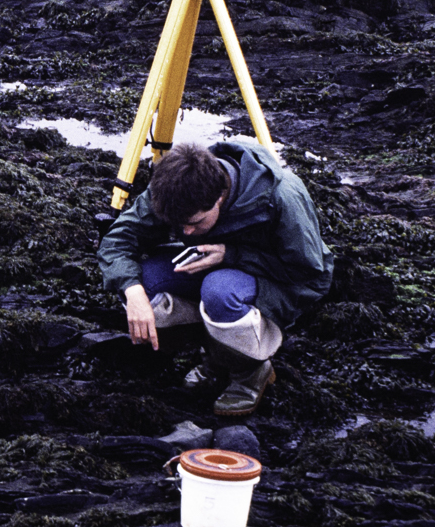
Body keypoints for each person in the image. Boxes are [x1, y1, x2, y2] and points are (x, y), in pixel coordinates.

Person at [97, 139, 333, 417]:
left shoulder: (281, 196)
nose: (187, 231)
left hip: (281, 278)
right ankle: (216, 356)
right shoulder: (175, 187)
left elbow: (308, 270)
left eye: (196, 223)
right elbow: (116, 242)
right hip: (214, 265)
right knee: (146, 281)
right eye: (179, 225)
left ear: (220, 196)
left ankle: (250, 371)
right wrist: (131, 290)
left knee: (219, 291)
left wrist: (231, 255)